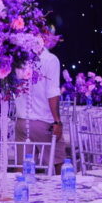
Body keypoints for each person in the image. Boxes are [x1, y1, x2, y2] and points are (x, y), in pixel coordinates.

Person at [14, 34, 63, 162]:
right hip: (43, 122)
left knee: (23, 166)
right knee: (57, 164)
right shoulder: (51, 59)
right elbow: (52, 92)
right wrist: (57, 122)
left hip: (22, 122)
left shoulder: (18, 59)